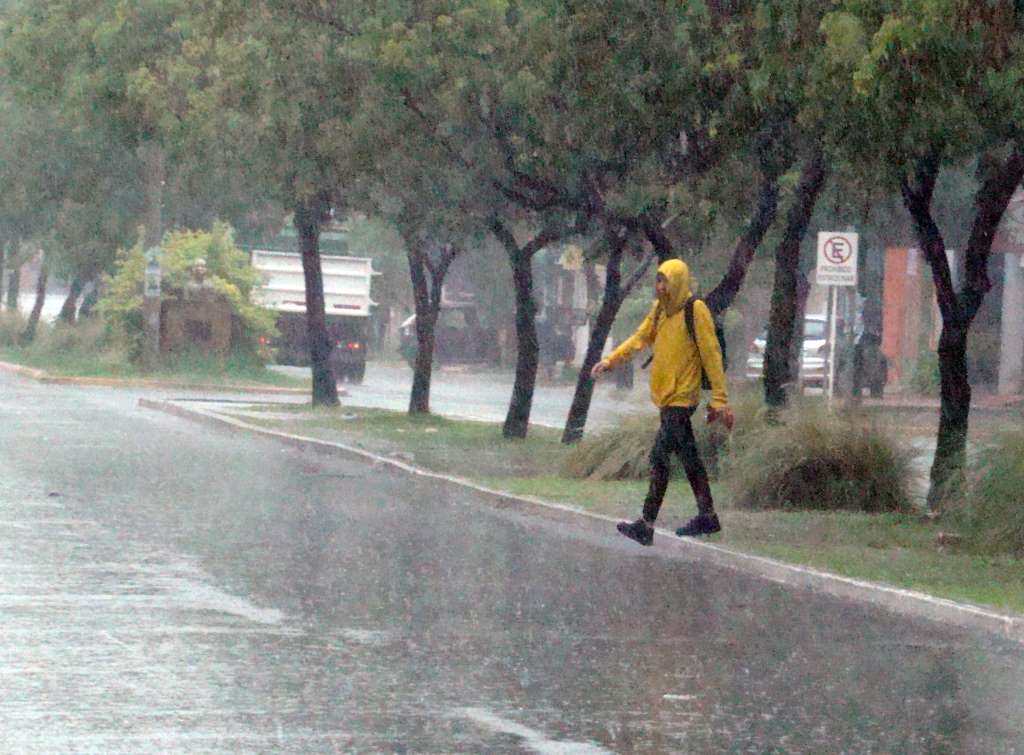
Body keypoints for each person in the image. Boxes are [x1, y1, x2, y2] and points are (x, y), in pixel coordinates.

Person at [591, 258, 734, 545]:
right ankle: (707, 516)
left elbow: (711, 355)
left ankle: (647, 523)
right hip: (666, 397)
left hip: (683, 397)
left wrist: (719, 399)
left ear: (677, 282)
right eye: (658, 281)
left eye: (664, 281)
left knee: (660, 457)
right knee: (688, 457)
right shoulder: (660, 311)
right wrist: (610, 361)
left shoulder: (696, 310)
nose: (659, 287)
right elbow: (640, 338)